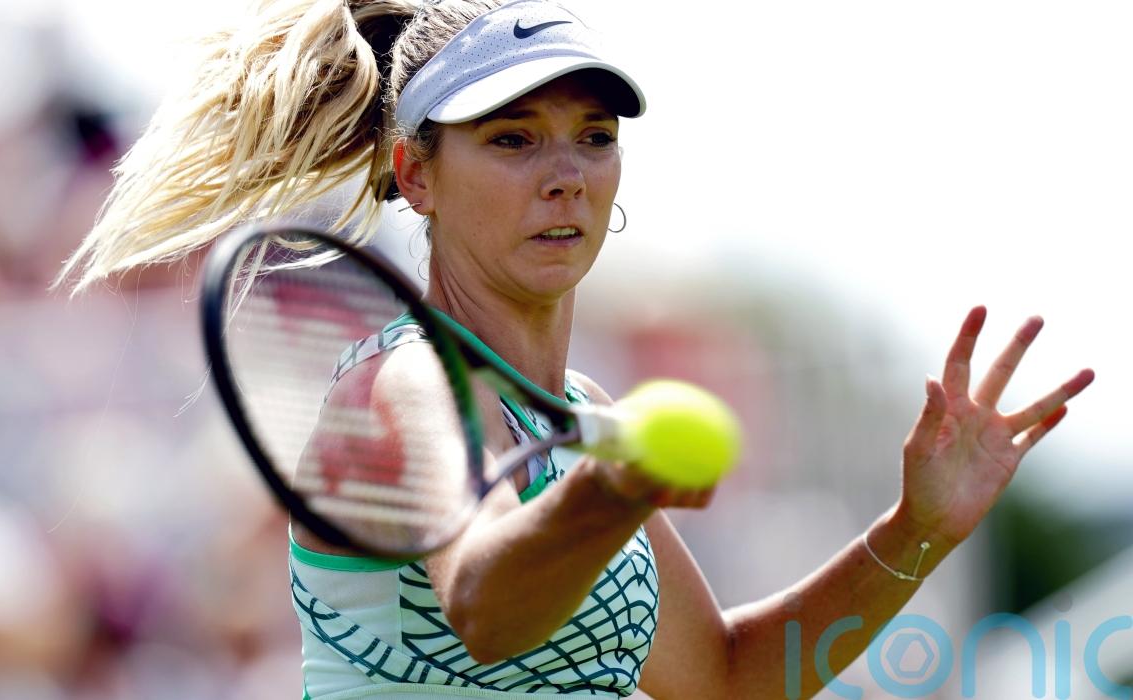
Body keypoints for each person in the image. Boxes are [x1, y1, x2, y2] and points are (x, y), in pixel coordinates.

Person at [56, 0, 1095, 697]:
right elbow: (485, 604)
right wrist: (613, 491)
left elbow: (727, 680)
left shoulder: (582, 407)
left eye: (593, 136)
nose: (566, 175)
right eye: (512, 139)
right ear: (415, 174)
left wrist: (919, 528)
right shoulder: (408, 380)